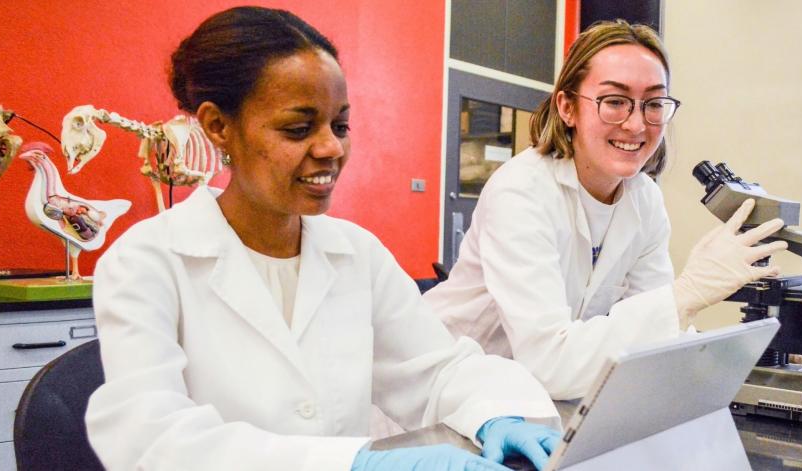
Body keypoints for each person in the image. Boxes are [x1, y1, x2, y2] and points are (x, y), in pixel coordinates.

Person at [85, 7, 562, 471]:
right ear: (217, 126)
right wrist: (351, 463)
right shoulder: (146, 261)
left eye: (340, 125)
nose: (331, 148)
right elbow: (151, 437)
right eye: (298, 128)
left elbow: (436, 370)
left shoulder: (358, 254)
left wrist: (497, 413)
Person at [423, 20, 788, 400]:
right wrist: (689, 292)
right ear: (567, 107)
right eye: (614, 102)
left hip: (524, 397)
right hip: (445, 392)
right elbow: (551, 364)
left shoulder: (642, 199)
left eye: (653, 104)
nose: (635, 124)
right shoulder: (521, 192)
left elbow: (652, 333)